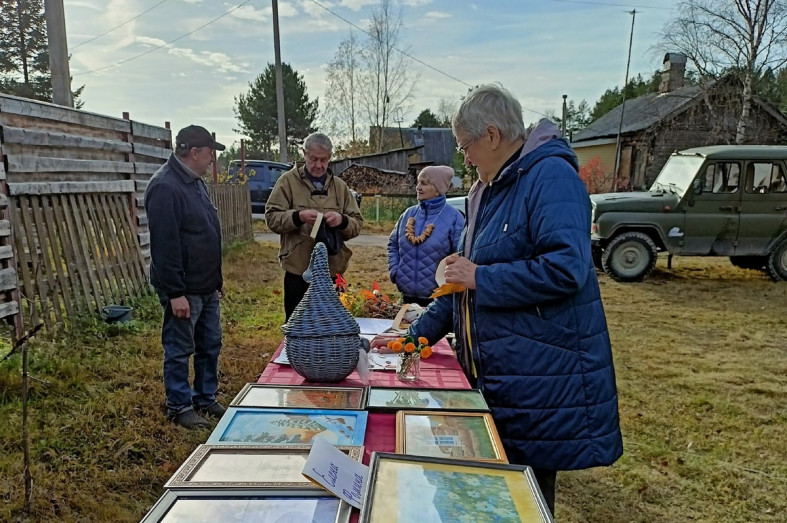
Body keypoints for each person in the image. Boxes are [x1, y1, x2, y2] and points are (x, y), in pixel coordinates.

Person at [374, 84, 623, 515]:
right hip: (504, 376)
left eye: (465, 146)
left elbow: (566, 268)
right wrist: (412, 338)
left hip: (538, 378)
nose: (465, 159)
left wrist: (481, 277)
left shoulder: (550, 177)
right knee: (491, 498)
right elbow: (461, 286)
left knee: (525, 501)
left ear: (491, 135)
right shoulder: (489, 189)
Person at [144, 125, 227, 430]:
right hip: (184, 289)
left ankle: (204, 397)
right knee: (180, 348)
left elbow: (205, 234)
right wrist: (175, 292)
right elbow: (164, 246)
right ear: (194, 152)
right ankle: (179, 405)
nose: (212, 160)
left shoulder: (194, 182)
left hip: (205, 285)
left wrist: (216, 281)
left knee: (210, 343)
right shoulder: (165, 187)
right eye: (209, 154)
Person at [265, 132, 363, 320]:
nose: (318, 165)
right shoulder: (287, 182)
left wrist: (342, 220)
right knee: (296, 326)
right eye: (313, 159)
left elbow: (357, 223)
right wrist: (297, 216)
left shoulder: (340, 187)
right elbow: (272, 218)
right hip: (298, 272)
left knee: (333, 326)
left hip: (333, 271)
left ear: (330, 157)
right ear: (304, 154)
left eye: (323, 160)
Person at [387, 165, 465, 306]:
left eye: (424, 183)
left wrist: (447, 284)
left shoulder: (454, 218)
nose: (418, 187)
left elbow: (460, 255)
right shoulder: (408, 214)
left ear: (438, 189)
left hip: (438, 301)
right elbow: (393, 244)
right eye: (418, 182)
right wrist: (395, 272)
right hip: (405, 298)